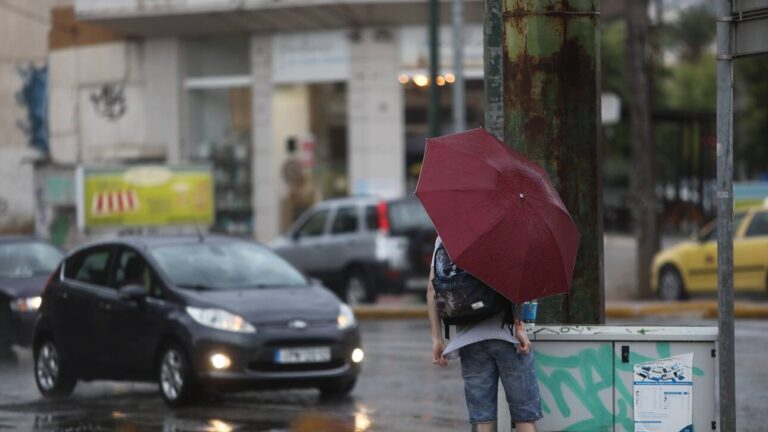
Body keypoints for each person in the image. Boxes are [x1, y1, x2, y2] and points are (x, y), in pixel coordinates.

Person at [427, 237, 542, 432]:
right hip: (508, 337)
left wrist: (437, 339)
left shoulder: (445, 235)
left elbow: (432, 289)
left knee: (482, 419)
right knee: (524, 416)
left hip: (470, 340)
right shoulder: (501, 229)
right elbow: (514, 282)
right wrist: (519, 327)